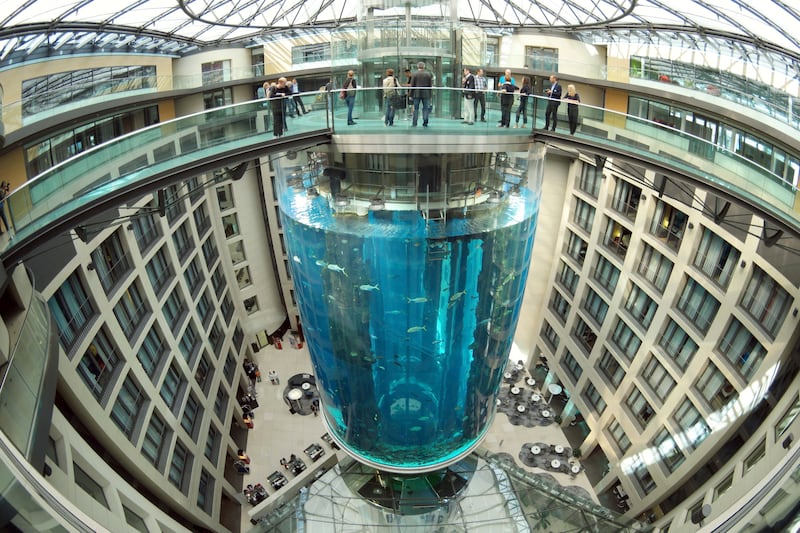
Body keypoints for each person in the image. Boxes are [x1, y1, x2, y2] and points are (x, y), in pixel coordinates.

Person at [409, 62, 433, 128]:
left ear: (418, 67)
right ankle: (425, 122)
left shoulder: (415, 74)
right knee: (425, 108)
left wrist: (410, 95)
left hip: (416, 93)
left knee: (416, 108)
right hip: (426, 93)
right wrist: (430, 95)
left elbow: (412, 85)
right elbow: (430, 86)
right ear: (424, 67)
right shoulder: (428, 74)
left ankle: (414, 123)